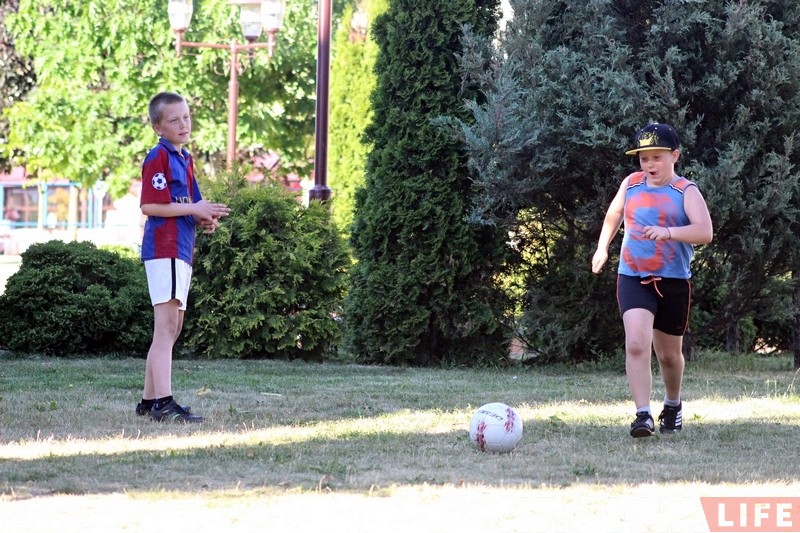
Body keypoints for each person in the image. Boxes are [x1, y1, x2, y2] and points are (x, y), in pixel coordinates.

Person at [591, 123, 713, 438]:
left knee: (669, 354)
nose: (649, 165)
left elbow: (704, 232)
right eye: (644, 158)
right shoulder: (631, 184)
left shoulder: (685, 191)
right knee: (635, 343)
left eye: (656, 157)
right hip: (633, 276)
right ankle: (642, 415)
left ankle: (672, 404)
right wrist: (602, 247)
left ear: (675, 156)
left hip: (673, 281)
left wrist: (669, 233)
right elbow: (614, 214)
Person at [137, 91, 230, 423]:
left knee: (172, 327)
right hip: (164, 249)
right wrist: (193, 208)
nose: (183, 124)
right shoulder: (157, 157)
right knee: (165, 328)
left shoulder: (185, 158)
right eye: (174, 120)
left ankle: (148, 402)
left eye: (186, 117)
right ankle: (164, 402)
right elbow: (150, 205)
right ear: (158, 127)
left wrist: (205, 217)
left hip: (181, 250)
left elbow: (191, 202)